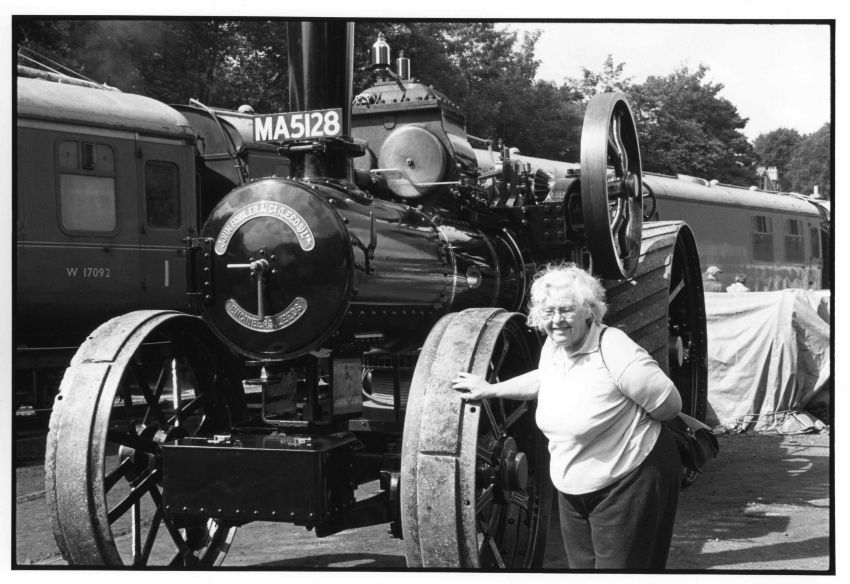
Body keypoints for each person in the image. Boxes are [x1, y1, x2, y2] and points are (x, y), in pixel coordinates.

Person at [452, 263, 683, 570]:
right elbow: (543, 379)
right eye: (548, 312)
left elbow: (668, 405)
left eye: (566, 310)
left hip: (629, 479)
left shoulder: (613, 347)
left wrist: (625, 428)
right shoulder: (555, 346)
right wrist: (491, 389)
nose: (557, 320)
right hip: (572, 485)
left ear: (588, 311)